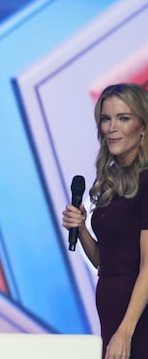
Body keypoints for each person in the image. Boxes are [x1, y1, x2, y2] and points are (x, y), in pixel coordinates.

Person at [62, 83, 148, 358]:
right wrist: (82, 228)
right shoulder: (116, 183)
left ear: (143, 126)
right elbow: (106, 261)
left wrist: (126, 330)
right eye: (106, 118)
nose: (112, 127)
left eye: (123, 118)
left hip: (137, 318)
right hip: (113, 311)